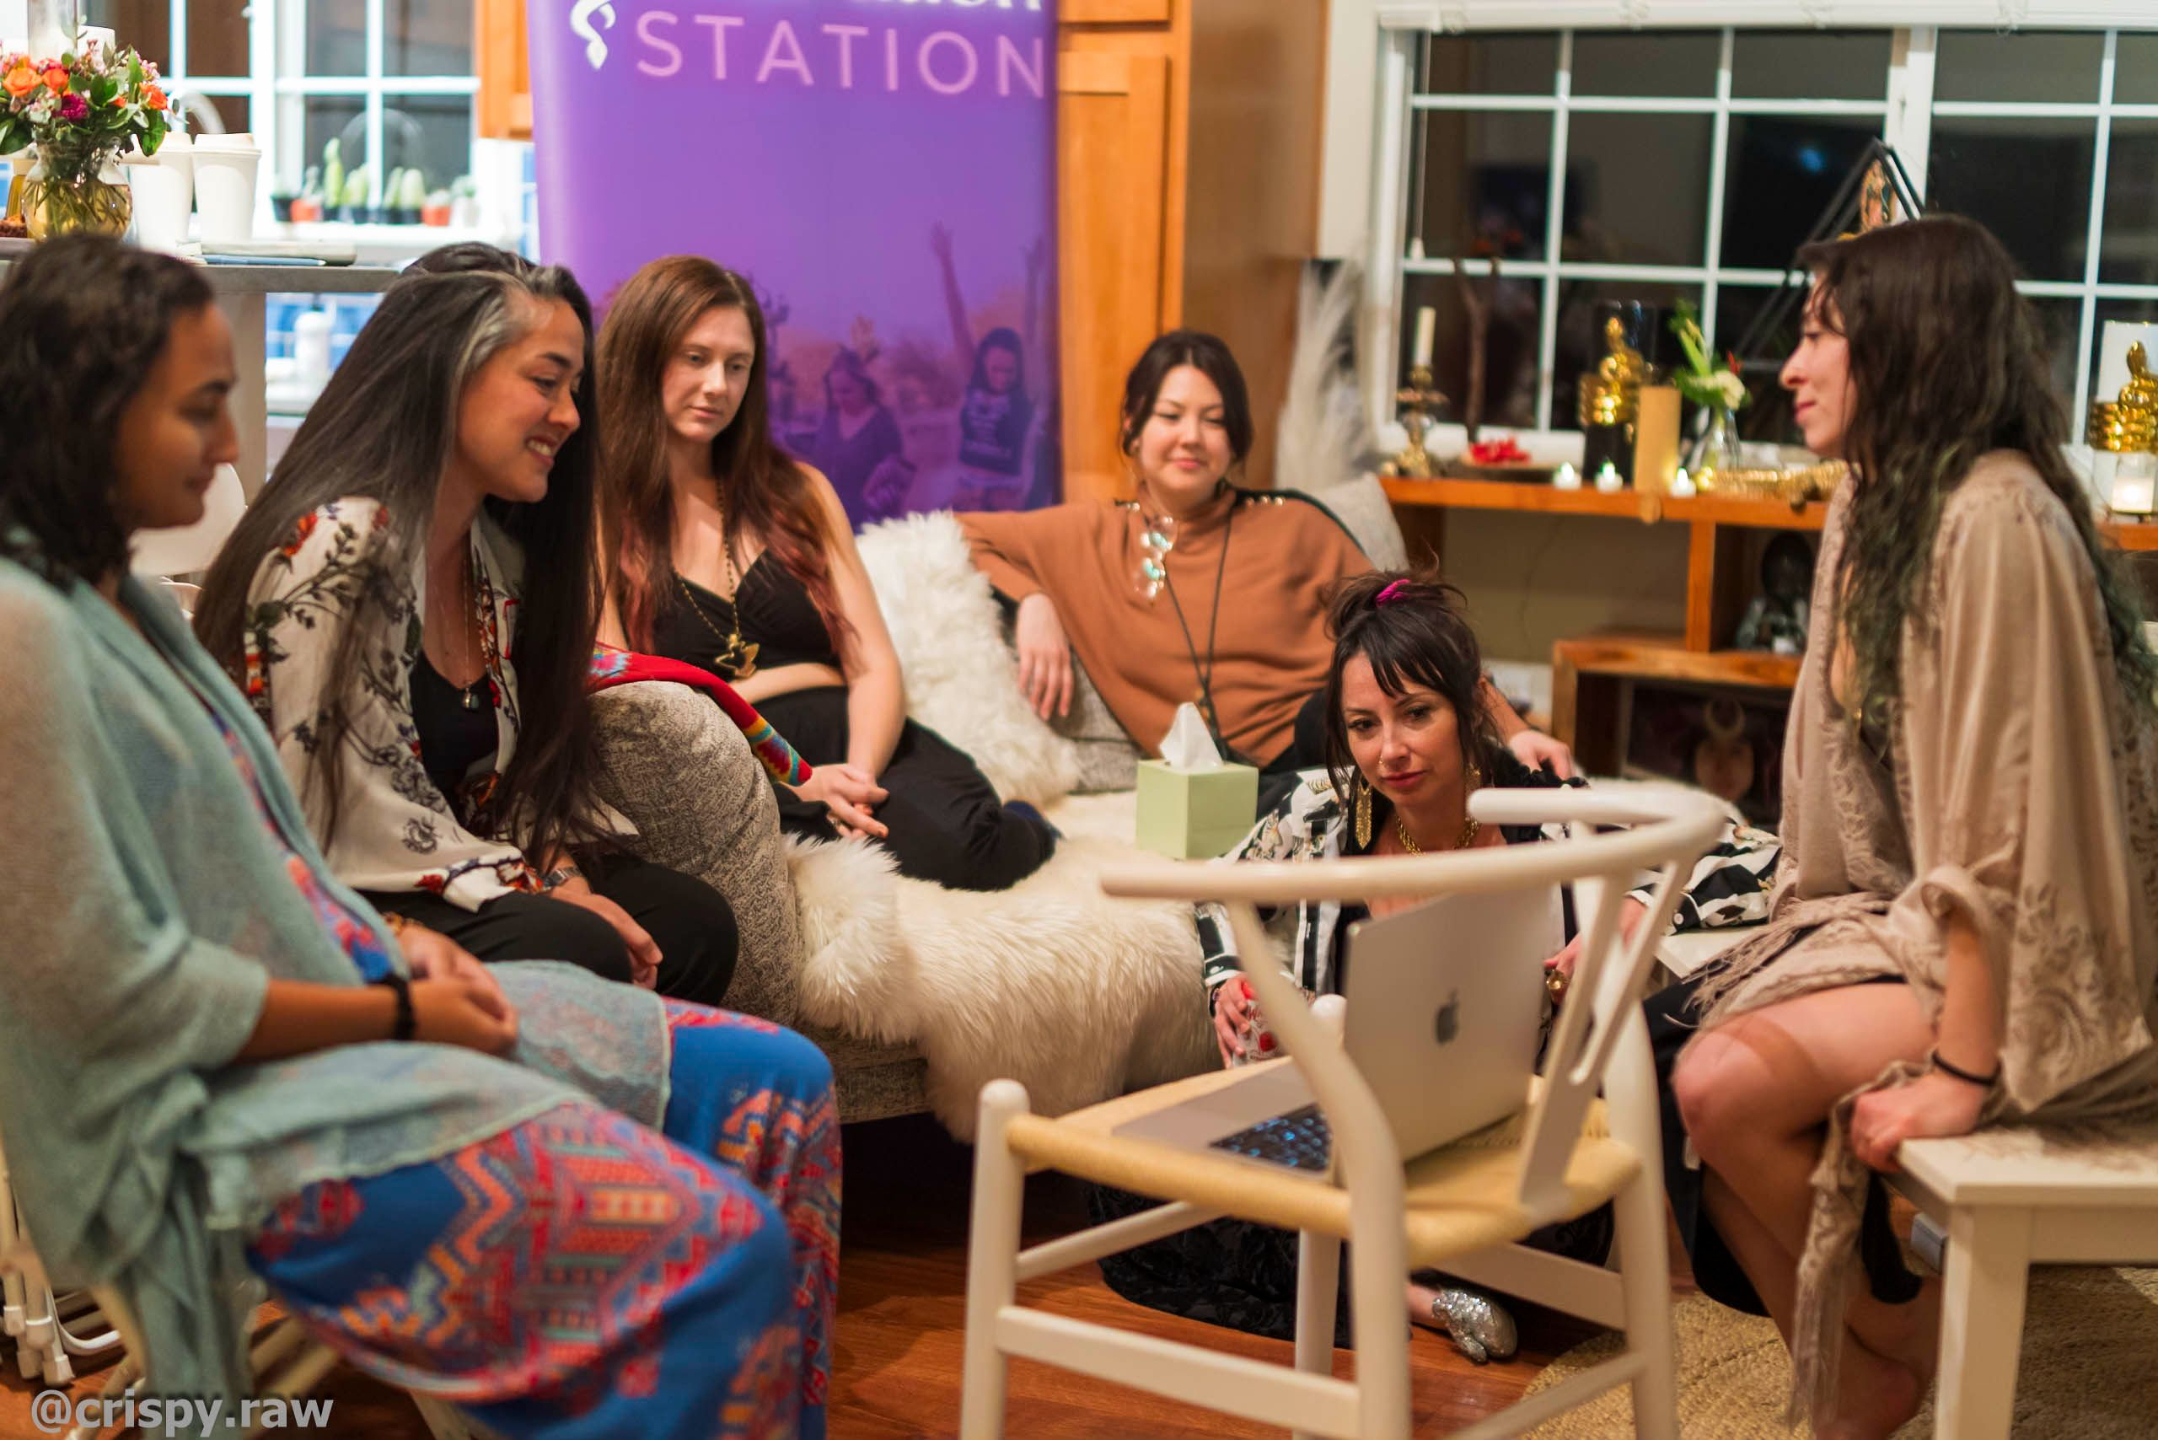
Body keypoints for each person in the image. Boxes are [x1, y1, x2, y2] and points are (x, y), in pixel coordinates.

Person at [0, 235, 837, 1438]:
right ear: (81, 411)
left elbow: (269, 855)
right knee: (726, 1250)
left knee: (784, 1085)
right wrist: (393, 1005)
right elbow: (115, 990)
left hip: (340, 988)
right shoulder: (25, 633)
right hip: (212, 1108)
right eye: (200, 407)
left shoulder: (121, 599)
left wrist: (395, 950)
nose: (233, 445)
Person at [1656, 215, 2158, 1440]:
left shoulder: (1994, 517)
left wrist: (1958, 1077)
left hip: (2055, 966)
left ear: (1909, 345)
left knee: (1719, 1083)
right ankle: (1862, 1379)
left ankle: (1896, 1345)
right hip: (1922, 922)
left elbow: (2005, 839)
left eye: (1820, 334)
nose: (1788, 366)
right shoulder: (1872, 503)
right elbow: (1849, 796)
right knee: (1669, 1036)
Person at [1092, 571, 1777, 1360]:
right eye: (1363, 725)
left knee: (1284, 1220)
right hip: (1354, 1153)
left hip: (1517, 1176)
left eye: (1417, 714)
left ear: (1467, 707)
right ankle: (1419, 1298)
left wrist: (1635, 913)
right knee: (1121, 1189)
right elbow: (1217, 889)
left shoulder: (1549, 817)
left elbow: (1760, 857)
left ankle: (1371, 1276)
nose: (1390, 750)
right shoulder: (1323, 816)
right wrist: (1228, 982)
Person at [194, 256, 741, 1006]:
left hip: (448, 865)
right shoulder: (341, 545)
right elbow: (348, 821)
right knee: (577, 947)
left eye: (574, 389)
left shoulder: (494, 552)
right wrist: (539, 896)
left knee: (691, 923)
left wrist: (563, 878)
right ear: (448, 373)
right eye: (546, 382)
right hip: (330, 893)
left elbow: (514, 783)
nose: (570, 415)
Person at [596, 255, 1057, 890]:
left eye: (737, 365)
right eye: (695, 358)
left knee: (969, 846)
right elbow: (622, 700)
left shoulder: (799, 491)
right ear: (640, 357)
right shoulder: (600, 511)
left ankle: (1030, 822)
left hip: (847, 730)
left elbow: (874, 665)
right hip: (719, 756)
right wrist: (803, 781)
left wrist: (857, 779)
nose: (717, 385)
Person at [959, 330, 1575, 786]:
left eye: (1213, 420)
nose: (1191, 437)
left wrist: (1512, 728)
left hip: (1332, 742)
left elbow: (1418, 633)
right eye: (1170, 416)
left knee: (1372, 723)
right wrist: (1034, 599)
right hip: (1218, 789)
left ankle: (1553, 821)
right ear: (1133, 426)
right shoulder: (1089, 535)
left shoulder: (1294, 523)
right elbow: (956, 532)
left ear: (1235, 440)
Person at [933, 223, 1045, 511]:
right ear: (984, 365)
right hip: (965, 493)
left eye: (1009, 371)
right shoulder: (974, 383)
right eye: (995, 369)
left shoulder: (1022, 397)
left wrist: (1033, 278)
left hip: (1004, 499)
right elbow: (958, 323)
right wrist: (946, 264)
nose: (1001, 377)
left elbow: (1029, 334)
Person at [807, 347, 913, 528]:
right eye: (835, 392)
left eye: (846, 391)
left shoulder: (883, 425)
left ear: (864, 386)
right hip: (827, 518)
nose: (839, 398)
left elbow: (893, 483)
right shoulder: (830, 420)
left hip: (867, 525)